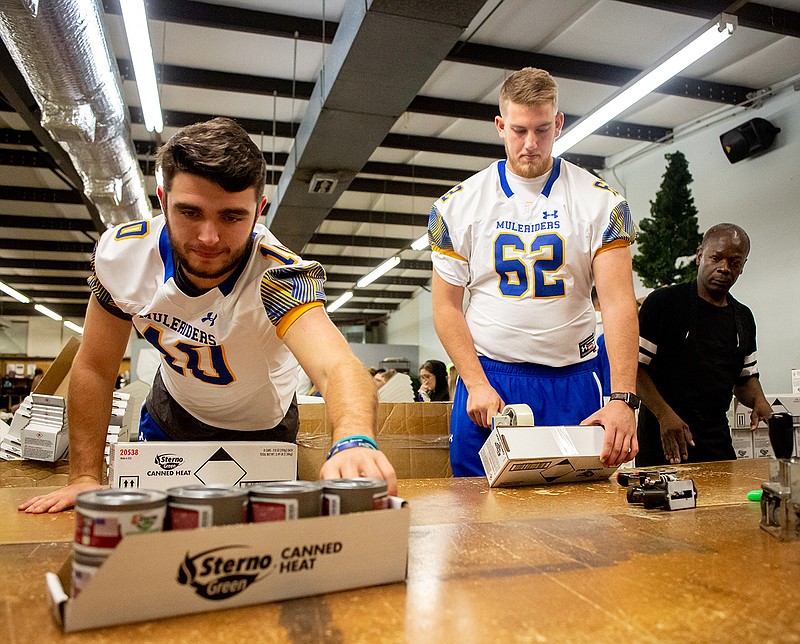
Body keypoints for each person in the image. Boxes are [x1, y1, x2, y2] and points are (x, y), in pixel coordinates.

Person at [20, 117, 396, 513]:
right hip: (173, 413)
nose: (209, 237)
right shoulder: (121, 256)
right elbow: (95, 366)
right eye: (190, 212)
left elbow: (338, 367)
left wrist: (354, 437)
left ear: (258, 211)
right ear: (163, 201)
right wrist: (84, 478)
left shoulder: (282, 276)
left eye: (232, 217)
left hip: (263, 428)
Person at [429, 67, 640, 477]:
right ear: (499, 126)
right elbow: (446, 306)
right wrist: (474, 382)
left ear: (558, 123)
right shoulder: (456, 206)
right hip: (492, 379)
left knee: (581, 520)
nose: (530, 144)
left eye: (542, 130)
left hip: (574, 378)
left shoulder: (603, 203)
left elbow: (617, 304)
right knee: (478, 520)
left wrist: (623, 398)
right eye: (519, 130)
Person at [636, 223, 772, 466]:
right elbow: (634, 369)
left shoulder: (743, 318)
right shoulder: (664, 304)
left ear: (742, 267)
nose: (724, 268)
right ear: (699, 256)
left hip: (716, 444)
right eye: (716, 258)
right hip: (664, 442)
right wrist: (664, 415)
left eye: (734, 262)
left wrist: (759, 400)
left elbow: (744, 378)